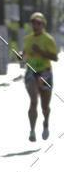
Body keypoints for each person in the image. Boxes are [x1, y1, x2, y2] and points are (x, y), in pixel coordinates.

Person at [21, 11, 58, 141]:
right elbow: (24, 55)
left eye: (38, 23)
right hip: (31, 72)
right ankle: (32, 131)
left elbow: (55, 57)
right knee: (33, 101)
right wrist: (21, 57)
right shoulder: (27, 39)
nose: (35, 26)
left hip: (45, 73)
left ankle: (46, 123)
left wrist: (40, 51)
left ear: (43, 25)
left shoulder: (48, 39)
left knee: (45, 106)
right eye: (33, 23)